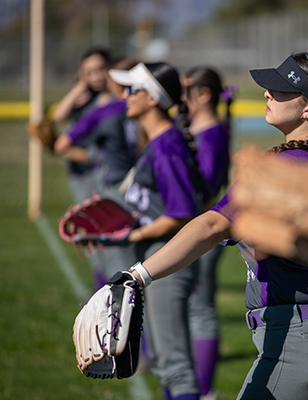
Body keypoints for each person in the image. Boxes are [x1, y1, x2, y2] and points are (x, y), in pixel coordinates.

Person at [120, 52, 308, 400]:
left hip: (300, 345)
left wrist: (137, 275)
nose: (267, 94)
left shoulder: (278, 168)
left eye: (280, 90)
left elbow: (213, 224)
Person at [109, 62, 209, 400]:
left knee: (174, 364)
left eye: (132, 89)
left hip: (168, 260)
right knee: (167, 363)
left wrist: (131, 236)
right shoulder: (156, 141)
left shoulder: (166, 145)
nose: (125, 96)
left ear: (153, 98)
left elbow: (181, 213)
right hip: (158, 257)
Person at [53, 55, 140, 286]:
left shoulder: (106, 111)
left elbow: (61, 143)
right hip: (144, 189)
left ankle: (114, 314)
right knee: (142, 265)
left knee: (118, 266)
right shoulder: (149, 105)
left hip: (115, 190)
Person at [180, 66, 235, 400]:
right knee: (189, 309)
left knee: (201, 310)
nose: (180, 97)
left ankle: (204, 391)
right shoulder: (193, 126)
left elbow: (207, 186)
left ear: (203, 94)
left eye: (186, 90)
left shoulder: (211, 132)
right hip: (191, 228)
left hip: (205, 231)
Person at [52, 46, 113, 203]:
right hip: (80, 172)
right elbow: (58, 115)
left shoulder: (110, 98)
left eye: (101, 69)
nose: (97, 76)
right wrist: (81, 83)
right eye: (90, 72)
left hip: (101, 167)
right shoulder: (84, 95)